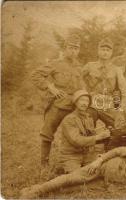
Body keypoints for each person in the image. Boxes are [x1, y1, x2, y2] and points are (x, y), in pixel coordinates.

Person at [20, 138, 126, 198]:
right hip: (107, 168)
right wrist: (99, 161)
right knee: (72, 178)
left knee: (73, 189)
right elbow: (118, 150)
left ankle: (37, 191)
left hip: (113, 184)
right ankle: (35, 191)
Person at [31, 34, 85, 168]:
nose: (73, 51)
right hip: (58, 105)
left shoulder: (79, 67)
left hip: (73, 107)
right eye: (71, 48)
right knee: (47, 134)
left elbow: (82, 86)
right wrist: (51, 87)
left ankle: (70, 162)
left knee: (75, 135)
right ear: (65, 48)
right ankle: (44, 164)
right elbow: (35, 75)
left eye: (76, 48)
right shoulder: (55, 64)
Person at [58, 90, 111, 173]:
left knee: (101, 171)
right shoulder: (69, 119)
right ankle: (64, 167)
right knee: (77, 178)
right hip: (71, 156)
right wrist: (98, 137)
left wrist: (103, 134)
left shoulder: (88, 118)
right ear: (75, 102)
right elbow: (76, 140)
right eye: (82, 100)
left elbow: (91, 136)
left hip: (87, 155)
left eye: (87, 101)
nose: (84, 103)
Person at [82, 38, 126, 127]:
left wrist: (121, 109)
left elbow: (125, 91)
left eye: (108, 50)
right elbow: (78, 80)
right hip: (92, 104)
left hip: (109, 105)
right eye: (103, 50)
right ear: (98, 51)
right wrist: (84, 97)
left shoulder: (116, 70)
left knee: (121, 128)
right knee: (86, 124)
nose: (105, 52)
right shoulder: (89, 66)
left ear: (111, 53)